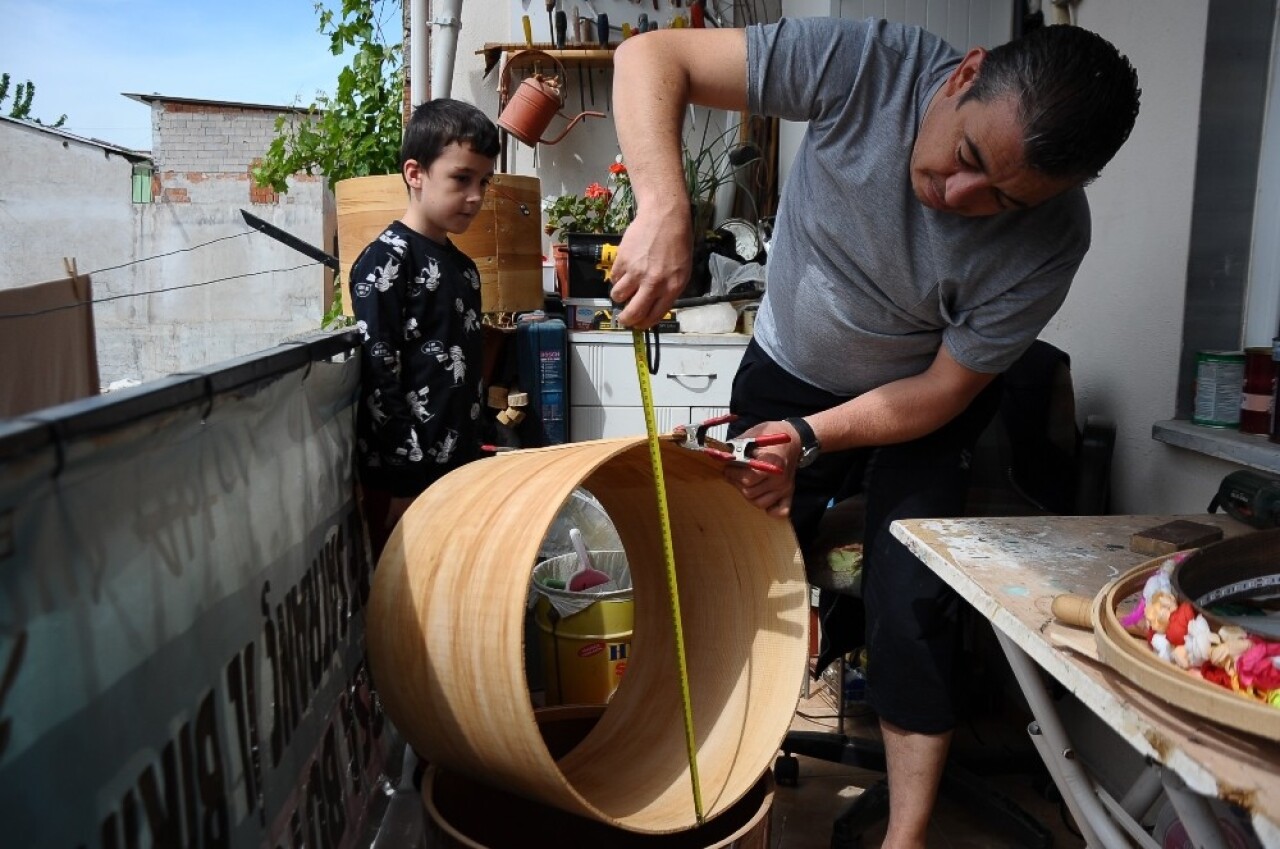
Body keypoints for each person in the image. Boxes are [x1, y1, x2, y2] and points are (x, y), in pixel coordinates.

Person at [609, 18, 1139, 848]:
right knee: (723, 571)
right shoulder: (867, 65)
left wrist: (811, 438)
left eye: (1003, 199)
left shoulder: (1055, 238)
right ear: (965, 74)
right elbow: (652, 55)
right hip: (786, 368)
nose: (961, 202)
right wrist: (665, 201)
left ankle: (906, 837)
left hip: (918, 410)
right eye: (968, 159)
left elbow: (940, 390)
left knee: (910, 602)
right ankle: (696, 780)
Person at [349, 98, 500, 561]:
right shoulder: (386, 260)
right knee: (401, 606)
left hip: (458, 468)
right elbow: (379, 373)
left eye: (483, 182)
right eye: (461, 178)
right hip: (402, 480)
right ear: (415, 173)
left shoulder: (465, 269)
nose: (475, 196)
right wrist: (403, 478)